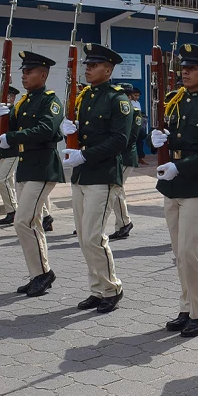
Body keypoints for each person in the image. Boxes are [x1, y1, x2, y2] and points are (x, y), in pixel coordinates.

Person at [151, 44, 198, 337]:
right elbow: (166, 136)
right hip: (172, 184)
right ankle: (186, 306)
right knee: (178, 252)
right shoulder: (173, 101)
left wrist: (179, 166)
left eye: (192, 68)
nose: (185, 72)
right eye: (183, 67)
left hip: (197, 184)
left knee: (190, 252)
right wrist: (157, 139)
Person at [61, 43, 130, 313]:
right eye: (87, 65)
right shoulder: (84, 97)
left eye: (93, 65)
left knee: (93, 236)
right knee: (83, 239)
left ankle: (112, 287)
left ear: (108, 69)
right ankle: (97, 288)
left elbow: (120, 141)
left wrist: (85, 155)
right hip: (81, 175)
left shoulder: (117, 99)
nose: (87, 69)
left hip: (102, 175)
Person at [0, 51, 64, 297]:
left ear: (43, 74)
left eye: (29, 71)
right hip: (26, 166)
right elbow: (11, 128)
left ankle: (43, 273)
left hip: (44, 166)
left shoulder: (50, 100)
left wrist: (11, 136)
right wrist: (3, 117)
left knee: (23, 220)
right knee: (29, 222)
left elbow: (46, 129)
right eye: (22, 71)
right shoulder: (23, 101)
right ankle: (38, 273)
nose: (23, 75)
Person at [108, 83, 140, 241]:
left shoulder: (133, 111)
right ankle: (123, 223)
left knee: (116, 188)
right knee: (118, 189)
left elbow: (132, 137)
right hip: (118, 156)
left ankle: (124, 223)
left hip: (126, 156)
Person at [0, 86, 21, 225]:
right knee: (8, 182)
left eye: (10, 96)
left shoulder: (15, 111)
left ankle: (12, 211)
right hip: (3, 152)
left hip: (13, 151)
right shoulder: (0, 111)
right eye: (6, 96)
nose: (8, 98)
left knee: (1, 180)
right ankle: (11, 210)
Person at [134, 88, 149, 166]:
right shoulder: (130, 102)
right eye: (135, 95)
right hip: (133, 125)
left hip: (139, 123)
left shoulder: (138, 103)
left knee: (140, 140)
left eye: (138, 95)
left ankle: (141, 157)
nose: (137, 97)